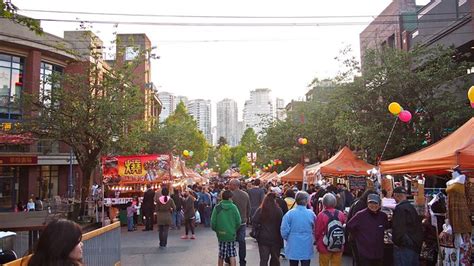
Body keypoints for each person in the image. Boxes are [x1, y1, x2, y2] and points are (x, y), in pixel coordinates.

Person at [346, 194, 388, 266]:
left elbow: (386, 226)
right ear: (367, 203)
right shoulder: (360, 215)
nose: (373, 205)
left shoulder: (383, 216)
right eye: (371, 203)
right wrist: (358, 237)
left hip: (378, 251)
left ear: (379, 204)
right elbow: (349, 226)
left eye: (375, 203)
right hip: (364, 252)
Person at [280, 191, 316, 266]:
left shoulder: (289, 214)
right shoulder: (311, 214)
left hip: (293, 242)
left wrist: (288, 238)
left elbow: (284, 229)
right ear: (307, 201)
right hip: (307, 242)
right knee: (306, 262)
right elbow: (315, 227)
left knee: (293, 263)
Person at [391, 186, 423, 266]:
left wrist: (399, 241)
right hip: (414, 245)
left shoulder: (400, 209)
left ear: (396, 195)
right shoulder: (411, 207)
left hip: (404, 247)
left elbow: (398, 228)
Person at [252, 192, 283, 266]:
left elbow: (254, 220)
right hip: (276, 238)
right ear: (275, 200)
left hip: (263, 238)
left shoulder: (261, 210)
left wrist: (256, 230)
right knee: (275, 260)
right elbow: (281, 223)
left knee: (263, 260)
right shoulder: (278, 210)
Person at [211, 190, 241, 266]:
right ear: (230, 198)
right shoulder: (233, 207)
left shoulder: (218, 207)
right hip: (231, 234)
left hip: (221, 234)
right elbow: (238, 221)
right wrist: (234, 229)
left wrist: (217, 230)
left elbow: (213, 222)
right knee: (232, 254)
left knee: (221, 255)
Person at [315, 193, 346, 266]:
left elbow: (318, 231)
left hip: (324, 244)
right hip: (338, 243)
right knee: (336, 263)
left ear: (324, 203)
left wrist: (317, 242)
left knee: (323, 264)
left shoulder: (321, 215)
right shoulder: (341, 214)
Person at [229, 178, 250, 266]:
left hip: (232, 222)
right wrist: (247, 217)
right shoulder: (245, 194)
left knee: (230, 241)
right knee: (242, 241)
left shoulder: (230, 195)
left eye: (230, 184)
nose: (229, 186)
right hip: (243, 221)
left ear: (234, 185)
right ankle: (242, 261)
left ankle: (229, 259)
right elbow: (248, 207)